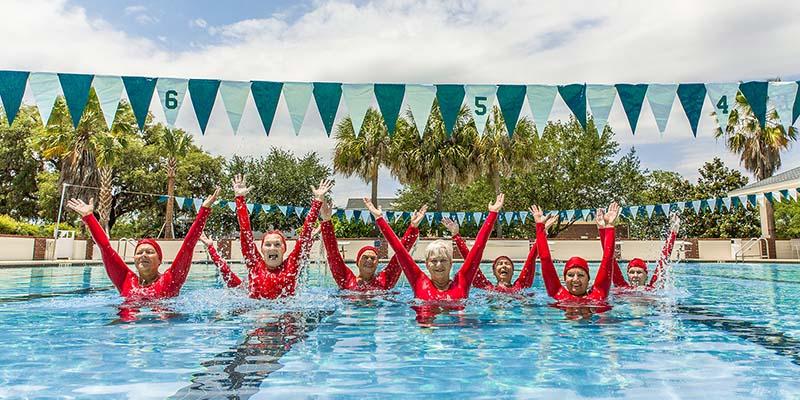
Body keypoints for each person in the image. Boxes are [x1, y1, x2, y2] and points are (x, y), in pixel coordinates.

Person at [66, 188, 220, 300]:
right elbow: (105, 248)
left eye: (149, 252)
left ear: (160, 260)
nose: (143, 255)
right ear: (134, 258)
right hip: (127, 334)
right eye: (139, 253)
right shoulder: (124, 279)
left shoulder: (171, 279)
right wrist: (89, 217)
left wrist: (204, 210)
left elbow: (188, 245)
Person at [364, 194, 504, 301]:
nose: (438, 265)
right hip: (426, 337)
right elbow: (400, 251)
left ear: (451, 263)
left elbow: (478, 250)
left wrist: (492, 214)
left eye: (443, 260)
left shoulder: (462, 281)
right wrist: (379, 219)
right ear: (427, 264)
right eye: (434, 260)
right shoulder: (419, 280)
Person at [231, 175, 332, 299]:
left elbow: (304, 236)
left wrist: (318, 201)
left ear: (284, 249)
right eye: (268, 244)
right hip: (257, 315)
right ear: (261, 249)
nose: (272, 247)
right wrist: (239, 198)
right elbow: (245, 233)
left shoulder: (291, 265)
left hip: (285, 316)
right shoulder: (254, 264)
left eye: (277, 244)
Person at [319, 201, 427, 291]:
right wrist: (326, 221)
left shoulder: (385, 280)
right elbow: (333, 255)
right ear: (357, 262)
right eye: (365, 257)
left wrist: (413, 228)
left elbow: (400, 255)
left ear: (377, 263)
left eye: (373, 258)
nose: (369, 260)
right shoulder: (346, 279)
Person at [440, 215, 557, 293]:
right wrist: (456, 236)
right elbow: (471, 261)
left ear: (513, 270)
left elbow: (531, 261)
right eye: (500, 264)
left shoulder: (521, 286)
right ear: (494, 272)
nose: (504, 265)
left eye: (507, 263)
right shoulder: (486, 287)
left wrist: (542, 232)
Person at [531, 202, 619, 303]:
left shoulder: (598, 294)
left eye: (581, 275)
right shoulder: (557, 293)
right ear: (564, 279)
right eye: (570, 275)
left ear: (588, 279)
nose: (575, 279)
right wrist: (540, 226)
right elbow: (545, 259)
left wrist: (609, 226)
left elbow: (607, 260)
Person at [606, 214, 681, 290]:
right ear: (627, 275)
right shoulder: (622, 287)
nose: (635, 275)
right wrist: (607, 226)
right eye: (632, 272)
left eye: (639, 272)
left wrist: (673, 233)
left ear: (646, 275)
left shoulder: (653, 288)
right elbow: (610, 259)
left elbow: (663, 261)